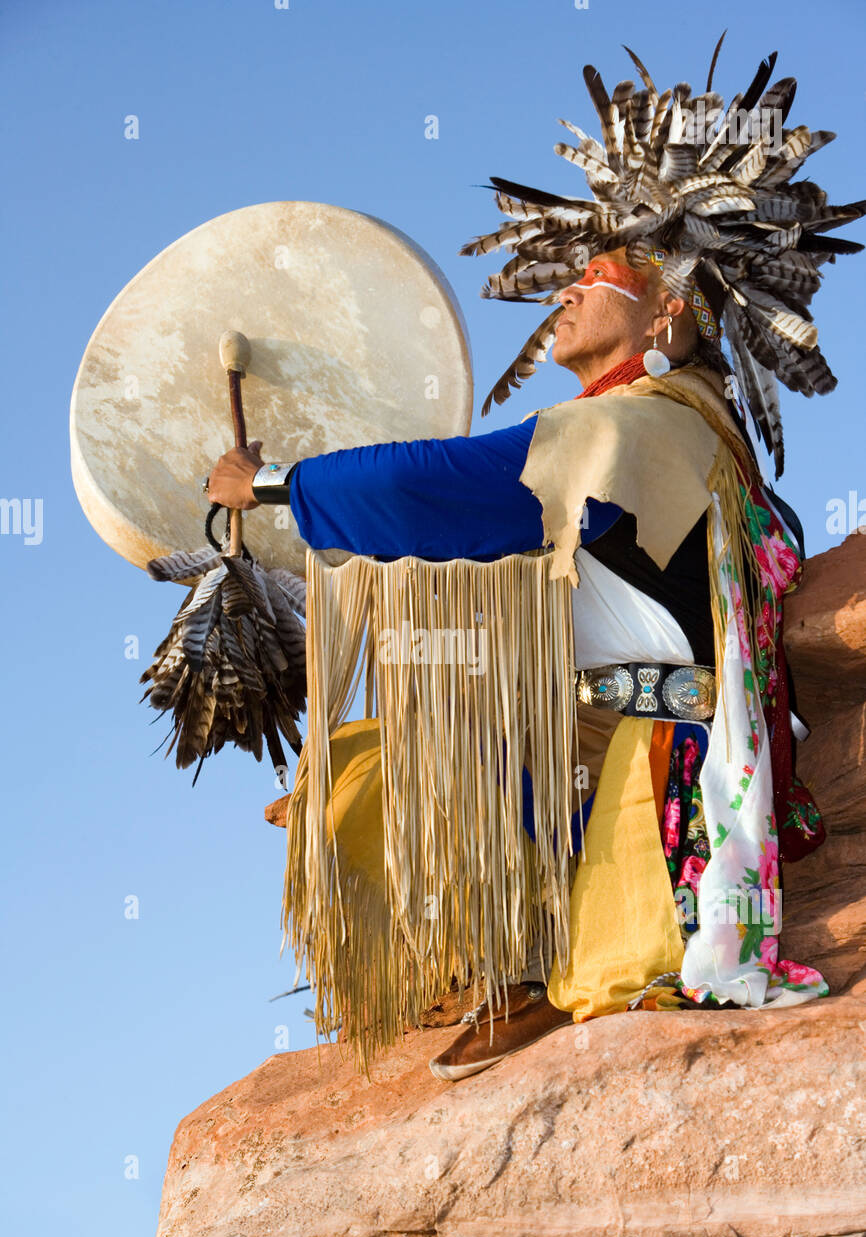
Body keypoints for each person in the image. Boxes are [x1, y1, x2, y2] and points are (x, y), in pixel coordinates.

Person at [208, 41, 860, 1078]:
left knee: (444, 715)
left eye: (590, 280)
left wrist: (279, 484)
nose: (563, 298)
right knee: (393, 729)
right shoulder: (649, 425)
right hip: (624, 693)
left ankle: (514, 965)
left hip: (662, 725)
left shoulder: (645, 427)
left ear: (668, 309)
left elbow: (452, 489)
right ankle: (487, 959)